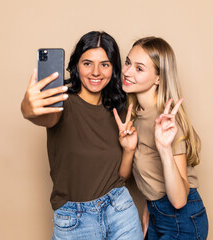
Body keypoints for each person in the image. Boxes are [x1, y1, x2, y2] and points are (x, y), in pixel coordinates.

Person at [21, 31, 142, 240]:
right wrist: (28, 109)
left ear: (114, 68)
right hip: (74, 220)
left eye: (104, 64)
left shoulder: (119, 109)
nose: (96, 72)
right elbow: (44, 117)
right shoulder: (62, 102)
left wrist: (129, 149)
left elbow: (122, 177)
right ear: (76, 65)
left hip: (119, 209)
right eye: (87, 63)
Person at [113, 37, 209, 239]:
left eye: (139, 68)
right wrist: (150, 207)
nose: (127, 72)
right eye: (128, 62)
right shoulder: (136, 114)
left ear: (159, 78)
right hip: (159, 213)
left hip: (182, 218)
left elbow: (179, 200)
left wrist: (164, 148)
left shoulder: (167, 123)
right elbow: (126, 178)